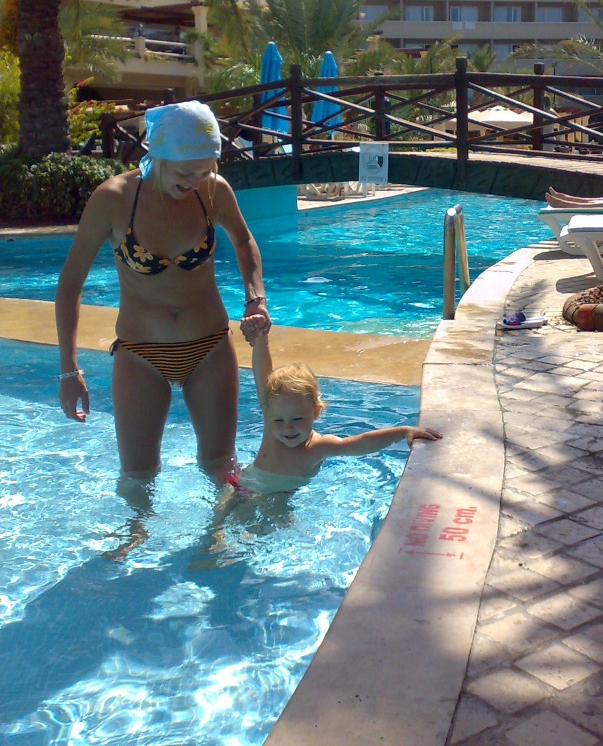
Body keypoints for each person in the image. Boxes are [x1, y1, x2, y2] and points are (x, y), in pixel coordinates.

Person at [56, 100, 269, 479]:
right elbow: (71, 282)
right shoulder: (113, 199)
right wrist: (68, 370)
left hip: (210, 348)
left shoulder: (213, 191)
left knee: (221, 468)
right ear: (157, 154)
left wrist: (255, 299)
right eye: (186, 171)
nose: (195, 181)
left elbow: (243, 240)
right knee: (138, 475)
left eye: (205, 171)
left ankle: (223, 521)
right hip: (141, 354)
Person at [228, 318, 442, 495]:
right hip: (245, 486)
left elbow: (361, 444)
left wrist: (403, 431)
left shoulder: (320, 447)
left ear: (316, 412)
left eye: (297, 419)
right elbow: (262, 375)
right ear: (269, 413)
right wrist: (260, 337)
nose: (287, 427)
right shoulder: (272, 425)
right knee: (219, 522)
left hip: (281, 497)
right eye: (278, 420)